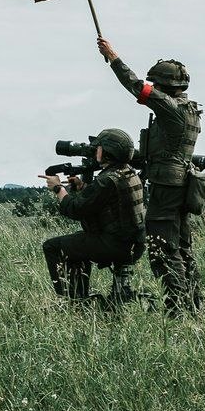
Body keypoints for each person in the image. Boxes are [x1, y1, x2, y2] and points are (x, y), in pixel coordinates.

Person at [97, 37, 204, 316]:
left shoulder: (171, 108)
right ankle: (193, 304)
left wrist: (113, 58)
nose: (152, 89)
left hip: (167, 186)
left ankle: (177, 309)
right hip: (179, 182)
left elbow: (135, 86)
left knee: (162, 248)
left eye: (156, 85)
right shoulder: (190, 109)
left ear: (164, 86)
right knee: (181, 246)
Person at [40, 127, 146, 305]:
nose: (95, 150)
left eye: (99, 147)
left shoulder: (107, 179)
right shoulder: (128, 173)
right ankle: (80, 297)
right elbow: (105, 201)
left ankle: (74, 301)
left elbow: (75, 209)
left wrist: (58, 189)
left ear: (107, 151)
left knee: (52, 247)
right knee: (76, 244)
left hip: (114, 245)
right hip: (134, 243)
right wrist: (82, 187)